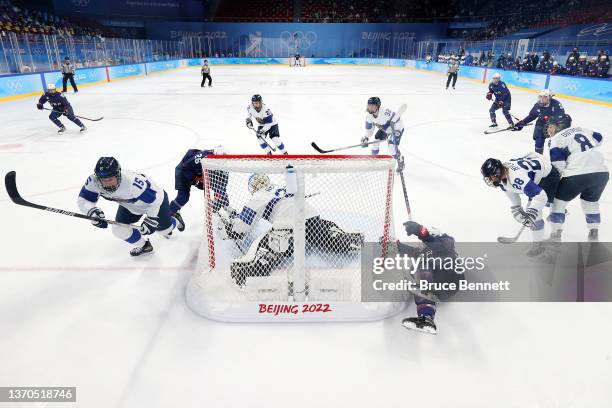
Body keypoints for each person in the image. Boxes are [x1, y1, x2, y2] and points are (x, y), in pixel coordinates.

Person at [216, 168, 364, 286]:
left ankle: (248, 269)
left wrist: (231, 226)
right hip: (311, 217)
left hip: (286, 227)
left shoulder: (258, 196)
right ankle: (344, 238)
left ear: (252, 187)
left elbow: (242, 227)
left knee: (268, 247)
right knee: (323, 233)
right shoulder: (282, 187)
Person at [77, 157, 178, 256]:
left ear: (118, 175)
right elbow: (84, 200)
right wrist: (91, 211)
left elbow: (155, 200)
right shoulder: (93, 182)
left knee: (164, 231)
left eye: (110, 179)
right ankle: (145, 246)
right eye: (103, 179)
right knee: (118, 229)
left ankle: (175, 219)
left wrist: (151, 218)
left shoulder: (133, 183)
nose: (107, 184)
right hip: (130, 205)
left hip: (156, 202)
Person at [480, 153, 560, 255]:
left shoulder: (516, 178)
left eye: (490, 177)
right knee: (533, 207)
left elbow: (541, 196)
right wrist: (516, 207)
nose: (490, 180)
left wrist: (532, 212)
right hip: (536, 174)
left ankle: (539, 244)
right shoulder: (502, 175)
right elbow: (510, 191)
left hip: (548, 176)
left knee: (536, 213)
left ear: (497, 172)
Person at [546, 114, 608, 241]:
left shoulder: (556, 139)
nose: (548, 130)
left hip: (577, 173)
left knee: (558, 202)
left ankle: (555, 235)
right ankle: (593, 233)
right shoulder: (580, 129)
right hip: (601, 173)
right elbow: (599, 138)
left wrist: (551, 186)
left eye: (551, 126)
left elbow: (558, 165)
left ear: (559, 126)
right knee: (590, 203)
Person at [399, 221, 461, 335]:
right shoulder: (423, 251)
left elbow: (433, 242)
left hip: (449, 276)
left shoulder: (446, 241)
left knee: (423, 266)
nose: (422, 245)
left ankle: (426, 315)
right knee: (418, 273)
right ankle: (425, 318)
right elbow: (410, 251)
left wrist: (419, 231)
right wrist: (396, 246)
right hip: (437, 286)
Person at [169, 146, 230, 231]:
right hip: (184, 171)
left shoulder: (224, 165)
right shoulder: (203, 156)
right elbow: (185, 167)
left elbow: (221, 186)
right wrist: (195, 180)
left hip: (200, 173)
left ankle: (227, 209)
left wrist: (222, 199)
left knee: (219, 193)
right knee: (183, 197)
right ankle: (167, 215)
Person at [512, 90, 566, 154]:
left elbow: (561, 117)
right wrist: (521, 124)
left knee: (556, 142)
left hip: (555, 123)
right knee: (539, 139)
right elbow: (532, 116)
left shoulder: (556, 104)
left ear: (549, 97)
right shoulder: (537, 105)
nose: (542, 99)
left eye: (545, 97)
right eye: (540, 97)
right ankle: (539, 156)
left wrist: (553, 125)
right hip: (541, 121)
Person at [361, 97, 405, 169]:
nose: (370, 108)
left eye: (373, 106)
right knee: (375, 142)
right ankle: (373, 160)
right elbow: (369, 129)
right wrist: (366, 137)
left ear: (378, 106)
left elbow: (397, 118)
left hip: (397, 127)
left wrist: (391, 127)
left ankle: (400, 159)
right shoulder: (368, 116)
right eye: (369, 105)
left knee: (392, 147)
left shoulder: (385, 112)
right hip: (385, 128)